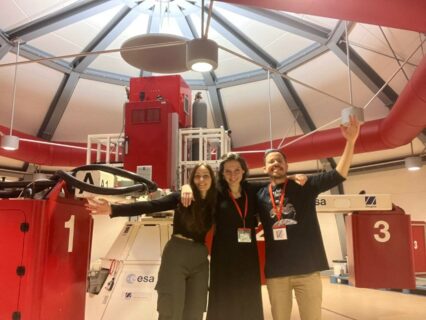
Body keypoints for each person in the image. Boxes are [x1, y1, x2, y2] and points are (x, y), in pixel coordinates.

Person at [256, 115, 360, 320]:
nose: (275, 163)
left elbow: (339, 174)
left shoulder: (306, 186)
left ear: (286, 165)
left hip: (308, 270)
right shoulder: (258, 193)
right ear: (264, 169)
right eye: (271, 161)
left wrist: (351, 141)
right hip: (277, 273)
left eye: (279, 160)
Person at [181, 154, 307, 320]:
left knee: (248, 297)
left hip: (248, 255)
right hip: (224, 257)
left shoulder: (252, 189)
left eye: (237, 170)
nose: (233, 175)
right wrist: (185, 187)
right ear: (222, 173)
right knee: (223, 299)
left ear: (243, 171)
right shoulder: (216, 191)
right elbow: (198, 187)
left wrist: (291, 176)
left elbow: (275, 181)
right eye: (228, 171)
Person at [86, 163, 217, 320]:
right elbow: (151, 205)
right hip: (177, 254)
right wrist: (113, 209)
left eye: (206, 176)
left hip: (200, 258)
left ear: (212, 179)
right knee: (170, 309)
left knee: (195, 311)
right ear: (192, 178)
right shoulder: (180, 197)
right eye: (197, 176)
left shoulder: (215, 202)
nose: (201, 180)